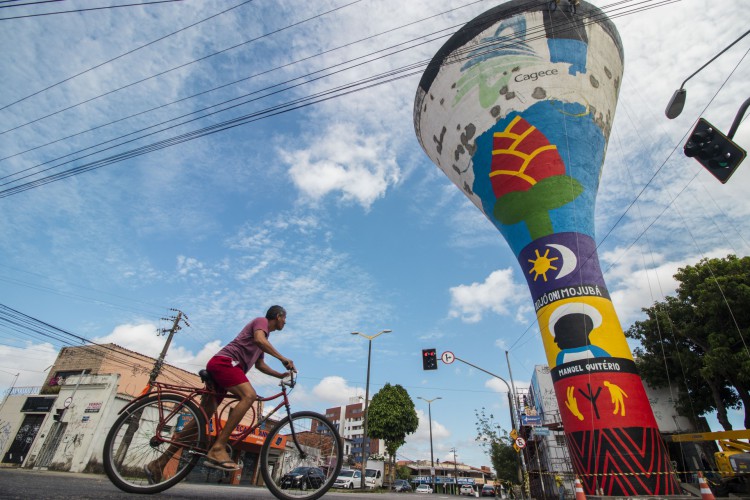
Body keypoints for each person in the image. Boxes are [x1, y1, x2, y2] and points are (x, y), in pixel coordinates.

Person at [145, 305, 296, 481]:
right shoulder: (260, 323)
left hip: (225, 369)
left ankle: (159, 463)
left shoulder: (263, 338)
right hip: (225, 363)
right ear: (278, 316)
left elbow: (260, 365)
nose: (285, 322)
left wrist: (280, 374)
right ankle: (218, 447)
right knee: (249, 396)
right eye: (284, 318)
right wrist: (283, 358)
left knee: (201, 420)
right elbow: (259, 340)